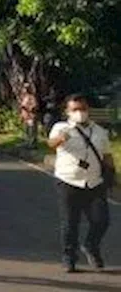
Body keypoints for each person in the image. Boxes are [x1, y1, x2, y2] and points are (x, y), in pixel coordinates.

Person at [48, 94, 113, 272]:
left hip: (94, 182)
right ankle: (69, 258)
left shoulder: (99, 131)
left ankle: (91, 245)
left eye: (83, 109)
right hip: (68, 181)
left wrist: (111, 175)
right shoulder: (61, 128)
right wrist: (62, 138)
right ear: (67, 112)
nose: (80, 113)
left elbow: (106, 155)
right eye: (75, 109)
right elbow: (51, 143)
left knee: (101, 220)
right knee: (70, 223)